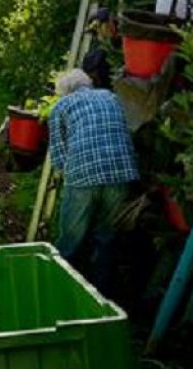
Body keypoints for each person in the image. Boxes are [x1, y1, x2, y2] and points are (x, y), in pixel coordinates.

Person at [48, 68, 139, 295]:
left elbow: (59, 156)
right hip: (121, 171)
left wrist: (67, 178)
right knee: (107, 237)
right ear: (88, 83)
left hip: (83, 174)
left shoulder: (61, 107)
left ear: (64, 92)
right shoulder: (111, 97)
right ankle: (102, 296)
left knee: (71, 239)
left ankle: (62, 289)